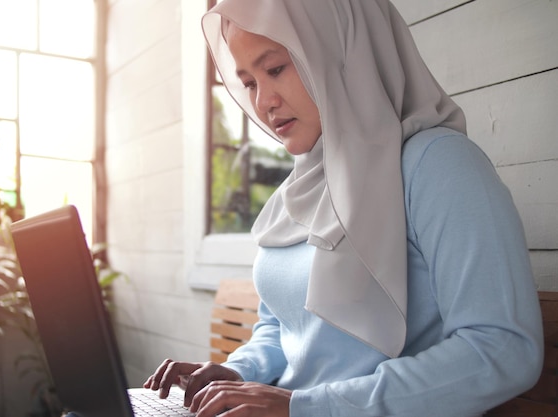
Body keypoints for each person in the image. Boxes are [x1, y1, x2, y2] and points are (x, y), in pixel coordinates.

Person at [144, 0, 544, 416]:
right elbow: (283, 328)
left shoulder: (437, 164)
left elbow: (502, 348)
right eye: (248, 82)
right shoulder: (297, 190)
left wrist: (304, 408)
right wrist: (236, 374)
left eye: (276, 68)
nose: (264, 101)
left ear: (337, 49)